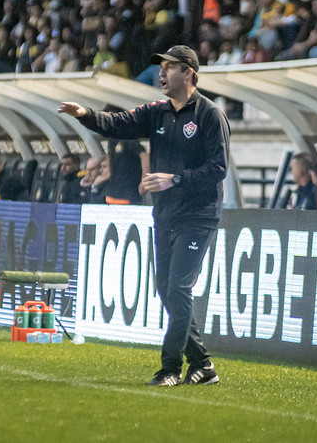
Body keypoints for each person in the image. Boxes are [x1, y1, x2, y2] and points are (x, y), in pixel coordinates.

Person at [58, 44, 230, 387]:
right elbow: (118, 123)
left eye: (169, 67)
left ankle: (169, 368)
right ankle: (202, 364)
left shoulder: (210, 115)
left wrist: (174, 179)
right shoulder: (157, 112)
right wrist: (85, 114)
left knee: (178, 287)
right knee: (167, 290)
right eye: (160, 67)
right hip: (165, 213)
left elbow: (219, 167)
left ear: (189, 74)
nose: (161, 73)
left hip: (198, 214)